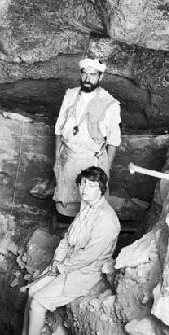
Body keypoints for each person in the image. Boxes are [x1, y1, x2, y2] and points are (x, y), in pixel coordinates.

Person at [2, 166, 121, 335]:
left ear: (101, 189)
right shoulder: (86, 209)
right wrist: (57, 260)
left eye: (91, 185)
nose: (85, 189)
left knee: (39, 302)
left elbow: (89, 256)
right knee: (32, 291)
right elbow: (67, 239)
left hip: (85, 271)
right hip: (66, 263)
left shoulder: (106, 219)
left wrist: (61, 268)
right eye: (82, 183)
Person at [54, 57, 121, 218]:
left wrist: (106, 170)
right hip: (69, 157)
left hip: (93, 161)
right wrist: (57, 157)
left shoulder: (109, 103)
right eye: (84, 74)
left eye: (92, 75)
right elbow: (58, 128)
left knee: (91, 208)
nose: (87, 79)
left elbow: (113, 141)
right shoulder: (70, 95)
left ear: (100, 77)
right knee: (66, 206)